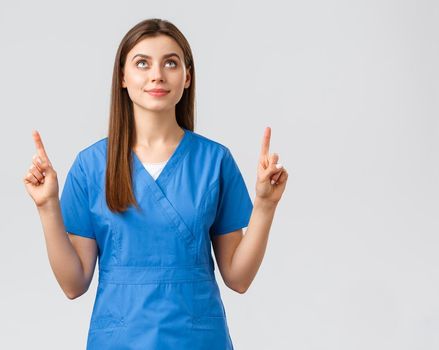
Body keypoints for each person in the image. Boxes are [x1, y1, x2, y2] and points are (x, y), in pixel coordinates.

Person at [22, 18, 288, 349]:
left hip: (197, 340)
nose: (157, 74)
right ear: (122, 76)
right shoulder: (92, 166)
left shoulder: (214, 161)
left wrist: (265, 205)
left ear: (187, 76)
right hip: (119, 340)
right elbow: (73, 284)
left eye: (171, 63)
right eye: (142, 63)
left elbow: (239, 278)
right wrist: (47, 206)